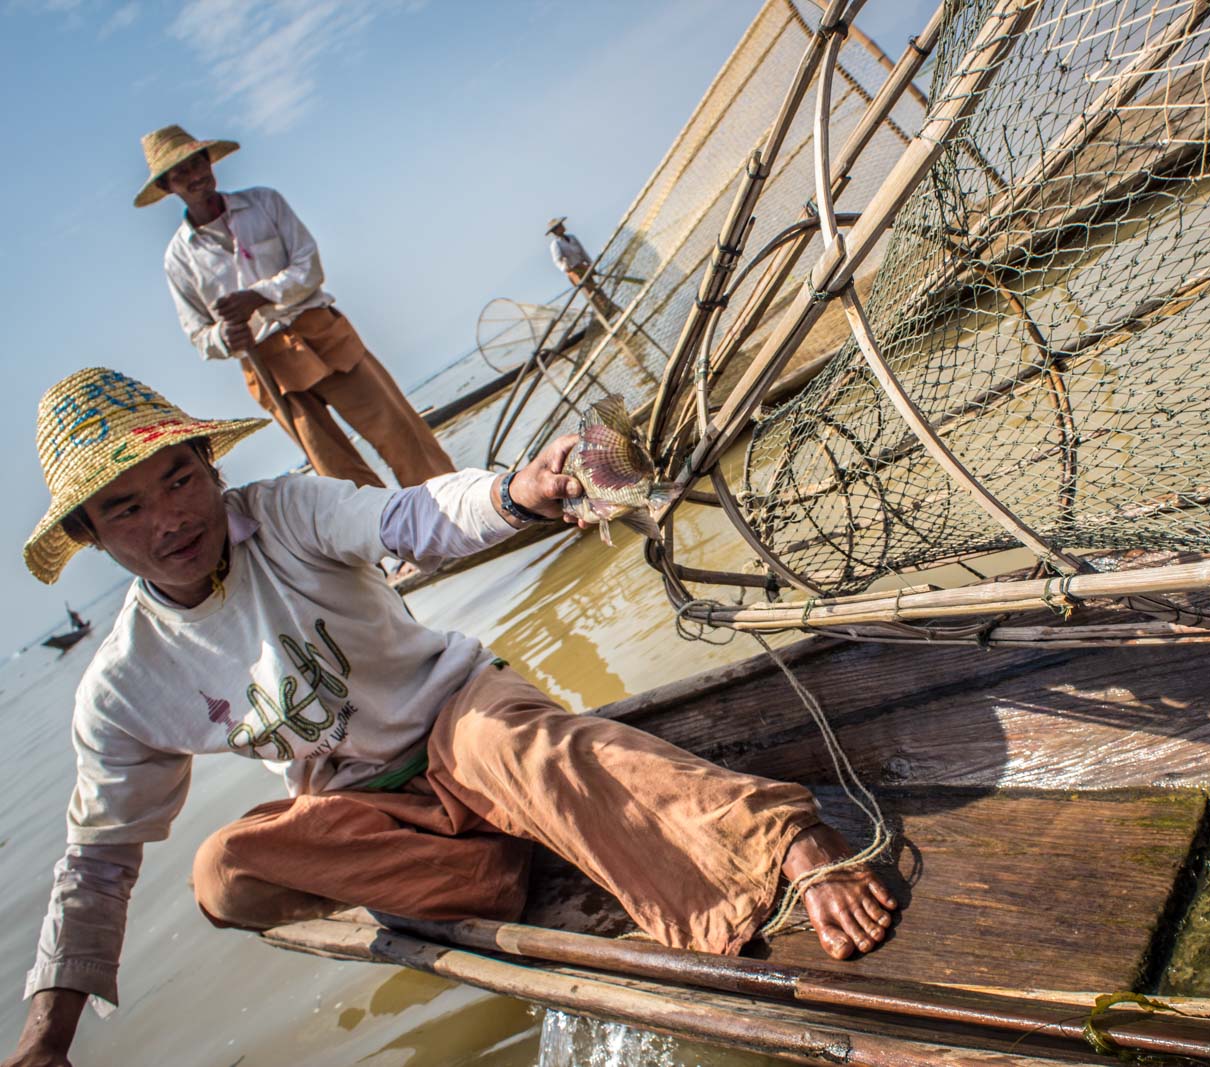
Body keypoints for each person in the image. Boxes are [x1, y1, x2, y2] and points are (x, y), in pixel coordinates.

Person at [5, 368, 894, 1067]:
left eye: (180, 477)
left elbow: (412, 516)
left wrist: (518, 491)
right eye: (126, 506)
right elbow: (98, 862)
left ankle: (776, 839)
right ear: (90, 535)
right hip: (370, 804)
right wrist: (48, 1036)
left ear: (209, 467)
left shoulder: (282, 511)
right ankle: (485, 875)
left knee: (526, 748)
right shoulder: (125, 684)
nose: (170, 517)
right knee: (224, 875)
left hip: (454, 715)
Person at [137, 124, 454, 489]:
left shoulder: (263, 202)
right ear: (167, 187)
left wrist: (258, 296)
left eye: (197, 164)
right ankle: (390, 538)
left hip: (322, 333)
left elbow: (309, 267)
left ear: (209, 161)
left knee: (401, 433)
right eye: (181, 174)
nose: (195, 177)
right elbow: (199, 335)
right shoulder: (179, 258)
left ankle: (457, 518)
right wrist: (226, 335)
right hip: (270, 366)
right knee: (335, 471)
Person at [548, 217, 620, 320]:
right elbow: (557, 260)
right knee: (589, 291)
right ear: (555, 231)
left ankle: (609, 307)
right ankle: (603, 314)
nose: (562, 227)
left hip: (582, 266)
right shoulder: (556, 244)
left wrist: (591, 264)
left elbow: (582, 251)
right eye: (559, 226)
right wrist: (565, 268)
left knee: (596, 288)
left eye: (561, 225)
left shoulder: (572, 237)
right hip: (573, 270)